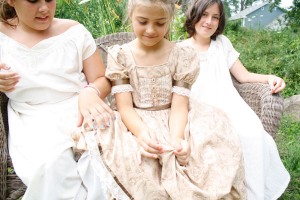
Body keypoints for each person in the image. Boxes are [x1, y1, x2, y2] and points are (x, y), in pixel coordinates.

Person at [73, 0, 246, 199]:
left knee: (205, 153)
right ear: (131, 17)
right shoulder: (121, 55)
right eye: (143, 21)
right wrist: (142, 133)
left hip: (175, 119)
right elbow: (125, 107)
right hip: (134, 120)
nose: (151, 30)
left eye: (160, 23)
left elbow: (179, 106)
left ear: (170, 20)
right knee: (135, 161)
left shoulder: (182, 55)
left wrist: (177, 140)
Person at [0, 0, 114, 199]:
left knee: (102, 165)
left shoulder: (74, 32)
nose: (44, 8)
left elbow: (101, 78)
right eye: (33, 1)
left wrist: (90, 92)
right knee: (52, 167)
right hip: (32, 119)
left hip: (80, 110)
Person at [180, 0, 291, 199]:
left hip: (230, 103)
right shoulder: (180, 49)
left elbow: (243, 76)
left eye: (215, 17)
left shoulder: (222, 43)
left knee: (252, 134)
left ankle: (253, 193)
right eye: (204, 15)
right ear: (194, 15)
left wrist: (270, 78)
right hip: (199, 107)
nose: (209, 21)